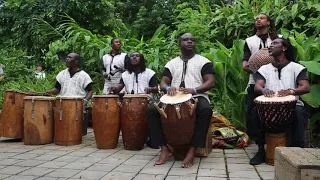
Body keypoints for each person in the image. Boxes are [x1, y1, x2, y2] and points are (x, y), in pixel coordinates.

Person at [147, 33, 215, 168]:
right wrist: (168, 88)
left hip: (197, 96)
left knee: (206, 110)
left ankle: (192, 150)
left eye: (192, 39)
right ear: (180, 43)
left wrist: (194, 90)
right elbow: (163, 83)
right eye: (185, 40)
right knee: (152, 110)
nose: (189, 42)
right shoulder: (171, 63)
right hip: (174, 98)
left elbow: (211, 82)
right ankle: (164, 149)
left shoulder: (204, 61)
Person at [250, 38, 310, 165]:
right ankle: (261, 150)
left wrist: (291, 91)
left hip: (292, 105)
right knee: (255, 112)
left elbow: (305, 87)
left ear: (284, 48)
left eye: (275, 43)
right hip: (269, 106)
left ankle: (296, 151)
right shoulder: (264, 69)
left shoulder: (297, 67)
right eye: (270, 44)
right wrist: (264, 89)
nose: (270, 46)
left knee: (299, 113)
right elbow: (257, 86)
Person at [242, 13, 279, 140]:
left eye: (262, 18)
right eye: (257, 18)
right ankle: (255, 139)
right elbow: (245, 63)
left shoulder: (278, 39)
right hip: (254, 81)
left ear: (268, 22)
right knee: (252, 111)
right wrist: (255, 69)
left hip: (276, 81)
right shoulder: (249, 41)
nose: (258, 20)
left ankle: (273, 136)